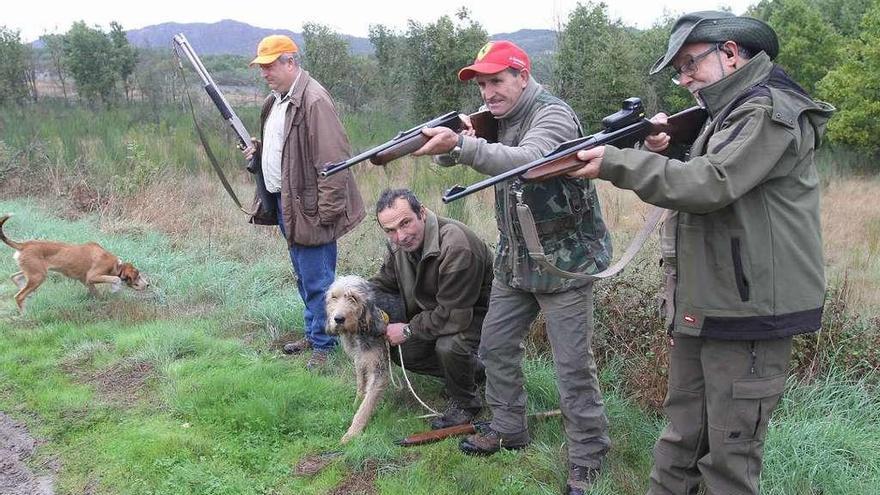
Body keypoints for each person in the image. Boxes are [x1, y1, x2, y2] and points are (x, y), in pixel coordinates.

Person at [568, 12, 834, 495]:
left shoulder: (768, 110)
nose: (685, 79)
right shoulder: (725, 113)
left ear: (730, 53)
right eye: (680, 70)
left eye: (691, 65)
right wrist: (670, 148)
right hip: (705, 304)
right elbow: (709, 175)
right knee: (680, 440)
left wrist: (617, 162)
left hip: (752, 310)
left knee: (729, 458)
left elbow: (713, 183)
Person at [413, 40, 614, 494]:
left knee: (572, 367)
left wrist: (464, 145)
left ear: (523, 76)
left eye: (497, 81)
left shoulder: (553, 115)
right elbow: (456, 154)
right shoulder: (497, 117)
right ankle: (508, 427)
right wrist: (450, 142)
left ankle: (587, 456)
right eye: (482, 85)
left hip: (565, 262)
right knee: (496, 345)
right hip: (516, 258)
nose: (488, 92)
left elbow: (528, 161)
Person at [243, 34, 366, 370]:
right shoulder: (278, 99)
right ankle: (315, 334)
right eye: (262, 67)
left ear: (290, 62)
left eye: (270, 65)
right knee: (303, 275)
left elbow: (333, 161)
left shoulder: (313, 100)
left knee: (319, 280)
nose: (265, 72)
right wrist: (258, 151)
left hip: (310, 209)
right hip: (289, 205)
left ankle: (326, 347)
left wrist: (325, 214)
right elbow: (284, 149)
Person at [368, 188, 493, 429]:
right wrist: (353, 299)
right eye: (390, 230)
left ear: (422, 213)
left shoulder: (456, 245)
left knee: (449, 346)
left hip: (477, 314)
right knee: (405, 352)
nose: (401, 236)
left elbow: (454, 315)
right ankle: (472, 373)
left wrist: (407, 330)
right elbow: (383, 284)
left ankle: (466, 404)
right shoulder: (398, 247)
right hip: (438, 313)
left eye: (406, 223)